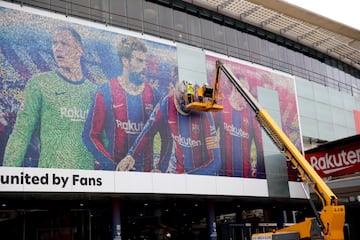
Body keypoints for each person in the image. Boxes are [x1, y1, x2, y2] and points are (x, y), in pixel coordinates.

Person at [3, 26, 97, 169]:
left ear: (79, 50)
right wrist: (8, 175)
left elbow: (103, 140)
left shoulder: (94, 91)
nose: (57, 48)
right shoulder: (39, 83)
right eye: (54, 43)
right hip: (51, 180)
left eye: (64, 43)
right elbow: (21, 133)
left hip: (87, 182)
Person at [82, 37, 161, 171]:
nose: (144, 67)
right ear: (125, 61)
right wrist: (110, 165)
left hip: (146, 176)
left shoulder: (154, 94)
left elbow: (166, 134)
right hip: (114, 173)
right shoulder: (106, 91)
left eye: (145, 62)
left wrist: (160, 167)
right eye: (139, 61)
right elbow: (89, 135)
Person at [116, 83, 221, 175]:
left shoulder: (204, 112)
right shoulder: (166, 103)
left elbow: (215, 161)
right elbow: (148, 130)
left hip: (198, 174)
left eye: (189, 97)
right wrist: (131, 155)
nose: (185, 100)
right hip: (178, 171)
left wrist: (189, 177)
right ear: (173, 86)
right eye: (181, 95)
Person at [212, 71, 265, 178]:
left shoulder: (251, 115)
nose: (248, 96)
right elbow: (209, 134)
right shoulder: (221, 106)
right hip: (223, 173)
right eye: (245, 91)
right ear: (235, 90)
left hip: (245, 175)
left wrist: (261, 175)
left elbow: (261, 149)